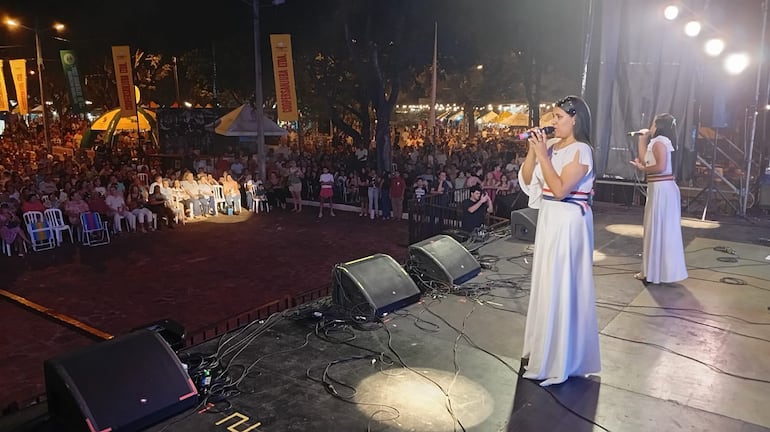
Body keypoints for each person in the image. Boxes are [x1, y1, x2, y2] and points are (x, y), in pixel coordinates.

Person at [517, 95, 600, 386]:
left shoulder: (582, 150)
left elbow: (561, 189)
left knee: (562, 284)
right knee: (546, 282)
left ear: (575, 119)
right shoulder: (550, 146)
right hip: (550, 220)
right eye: (553, 116)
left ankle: (561, 357)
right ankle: (543, 349)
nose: (553, 122)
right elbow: (529, 181)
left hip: (568, 222)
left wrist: (543, 155)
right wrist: (533, 151)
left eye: (559, 117)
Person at [630, 113, 688, 284]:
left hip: (662, 189)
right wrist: (642, 140)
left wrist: (642, 168)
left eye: (653, 123)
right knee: (655, 229)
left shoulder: (660, 142)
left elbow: (660, 167)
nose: (651, 126)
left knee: (659, 230)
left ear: (658, 125)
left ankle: (656, 272)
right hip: (658, 189)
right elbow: (646, 161)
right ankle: (652, 271)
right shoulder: (657, 142)